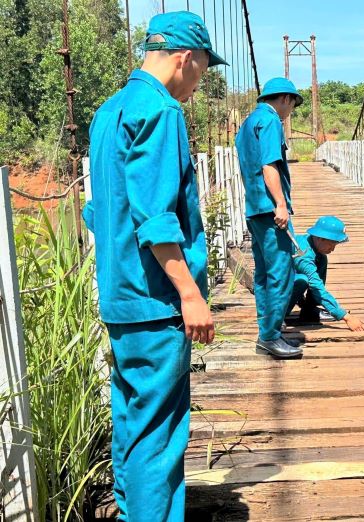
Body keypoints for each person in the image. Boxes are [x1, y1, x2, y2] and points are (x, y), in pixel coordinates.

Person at [82, 11, 225, 521]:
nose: (199, 82)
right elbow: (158, 220)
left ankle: (130, 511)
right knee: (160, 434)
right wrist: (190, 293)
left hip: (120, 296)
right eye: (204, 69)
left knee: (132, 421)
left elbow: (96, 211)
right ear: (186, 58)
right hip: (155, 301)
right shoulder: (161, 111)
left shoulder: (108, 112)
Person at [235, 77, 304, 359]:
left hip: (254, 208)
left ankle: (267, 330)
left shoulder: (247, 123)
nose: (291, 112)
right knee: (281, 273)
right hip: (269, 208)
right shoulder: (272, 121)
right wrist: (280, 204)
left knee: (263, 274)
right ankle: (270, 336)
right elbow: (269, 165)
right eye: (293, 105)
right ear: (285, 99)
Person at [286, 216, 364, 332]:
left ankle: (309, 311)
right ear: (319, 238)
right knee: (302, 280)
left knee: (322, 259)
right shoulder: (304, 256)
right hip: (274, 294)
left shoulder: (316, 249)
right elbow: (317, 288)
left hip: (289, 282)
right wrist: (346, 317)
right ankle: (278, 317)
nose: (333, 249)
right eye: (331, 244)